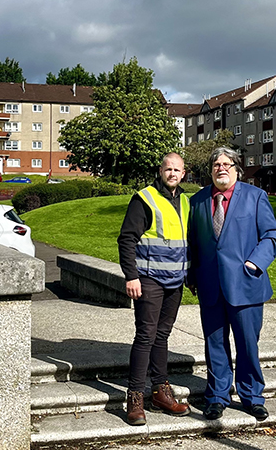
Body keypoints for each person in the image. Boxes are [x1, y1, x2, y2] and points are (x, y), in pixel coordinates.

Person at [187, 147, 276, 421]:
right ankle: (217, 395)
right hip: (210, 286)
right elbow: (192, 242)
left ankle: (252, 396)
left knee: (247, 344)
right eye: (216, 164)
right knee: (214, 344)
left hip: (246, 285)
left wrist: (255, 263)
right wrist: (192, 275)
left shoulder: (255, 197)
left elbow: (272, 236)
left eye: (227, 164)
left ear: (237, 169)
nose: (221, 168)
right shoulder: (198, 201)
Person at [117, 152, 191, 426]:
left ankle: (161, 391)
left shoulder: (185, 201)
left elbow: (186, 241)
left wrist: (190, 275)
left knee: (162, 335)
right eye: (168, 169)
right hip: (148, 279)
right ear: (160, 171)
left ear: (184, 173)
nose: (172, 173)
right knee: (146, 335)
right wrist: (131, 276)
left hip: (175, 281)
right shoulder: (144, 198)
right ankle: (135, 397)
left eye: (177, 170)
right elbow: (126, 239)